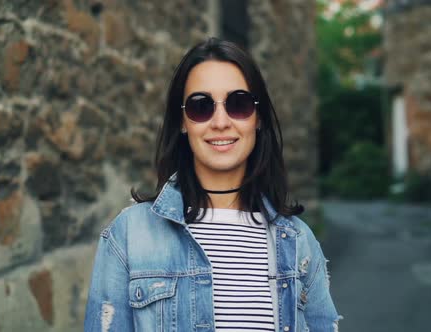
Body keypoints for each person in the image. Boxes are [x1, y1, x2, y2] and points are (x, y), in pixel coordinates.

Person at [84, 37, 341, 332]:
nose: (220, 121)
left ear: (258, 119)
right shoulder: (128, 236)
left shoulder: (299, 243)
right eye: (201, 106)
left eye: (239, 103)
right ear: (182, 121)